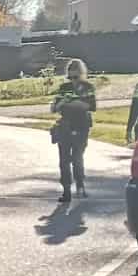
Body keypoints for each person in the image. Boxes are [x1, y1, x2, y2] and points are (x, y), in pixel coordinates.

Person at [48, 58, 96, 204]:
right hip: (65, 126)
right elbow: (54, 108)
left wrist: (75, 103)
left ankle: (80, 184)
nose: (73, 80)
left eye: (76, 77)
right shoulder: (64, 88)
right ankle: (66, 190)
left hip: (81, 125)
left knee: (77, 157)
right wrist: (62, 103)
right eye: (70, 77)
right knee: (63, 160)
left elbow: (92, 106)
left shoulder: (87, 87)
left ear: (81, 74)